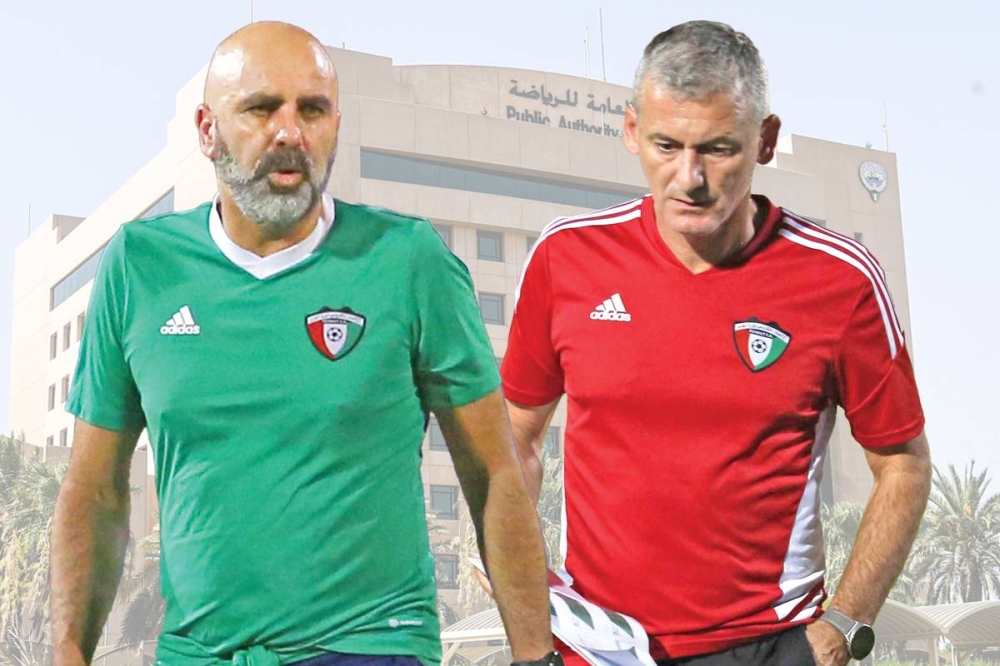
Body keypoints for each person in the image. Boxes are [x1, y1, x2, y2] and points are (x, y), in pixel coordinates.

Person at [50, 22, 555, 666]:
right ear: (207, 130)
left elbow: (494, 474)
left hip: (371, 646)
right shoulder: (139, 265)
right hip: (196, 653)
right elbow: (94, 491)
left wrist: (536, 657)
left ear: (335, 126)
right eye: (262, 108)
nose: (290, 132)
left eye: (312, 110)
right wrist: (68, 653)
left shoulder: (408, 259)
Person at [500, 20, 931, 666]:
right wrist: (518, 585)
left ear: (765, 140)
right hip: (595, 645)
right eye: (666, 146)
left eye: (718, 149)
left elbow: (904, 464)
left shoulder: (840, 279)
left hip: (768, 645)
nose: (689, 177)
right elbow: (517, 438)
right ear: (630, 131)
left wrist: (843, 624)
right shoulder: (565, 258)